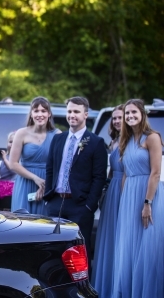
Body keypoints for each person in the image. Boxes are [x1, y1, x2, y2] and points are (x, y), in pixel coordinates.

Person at [112, 99, 164, 297]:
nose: (130, 116)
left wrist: (147, 203)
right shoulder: (125, 140)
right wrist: (124, 200)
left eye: (134, 112)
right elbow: (126, 173)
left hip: (147, 196)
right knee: (128, 248)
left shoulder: (152, 138)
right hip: (129, 198)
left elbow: (156, 173)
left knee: (147, 247)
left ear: (142, 114)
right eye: (127, 114)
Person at [43, 96, 107, 258]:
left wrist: (89, 206)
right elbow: (50, 168)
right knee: (52, 251)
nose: (72, 115)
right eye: (69, 111)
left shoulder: (96, 142)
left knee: (79, 252)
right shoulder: (58, 139)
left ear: (86, 115)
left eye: (76, 112)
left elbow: (99, 177)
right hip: (55, 203)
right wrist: (48, 199)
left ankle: (81, 284)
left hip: (80, 205)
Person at [92, 104, 123, 297]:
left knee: (123, 238)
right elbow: (110, 171)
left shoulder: (136, 140)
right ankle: (109, 281)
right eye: (115, 118)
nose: (118, 120)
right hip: (112, 192)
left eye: (121, 117)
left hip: (127, 192)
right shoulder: (113, 142)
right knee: (110, 237)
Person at [10, 97, 60, 215]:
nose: (40, 114)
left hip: (47, 184)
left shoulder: (57, 135)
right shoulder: (21, 133)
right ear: (31, 114)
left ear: (49, 114)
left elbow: (60, 165)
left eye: (43, 111)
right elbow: (13, 164)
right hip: (25, 183)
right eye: (36, 111)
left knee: (44, 224)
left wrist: (46, 185)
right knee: (21, 222)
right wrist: (35, 178)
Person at [0, 131, 17, 211]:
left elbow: (12, 168)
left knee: (7, 207)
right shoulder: (7, 155)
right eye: (10, 142)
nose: (12, 144)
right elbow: (1, 171)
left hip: (10, 186)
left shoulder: (17, 156)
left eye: (15, 142)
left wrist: (4, 158)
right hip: (1, 185)